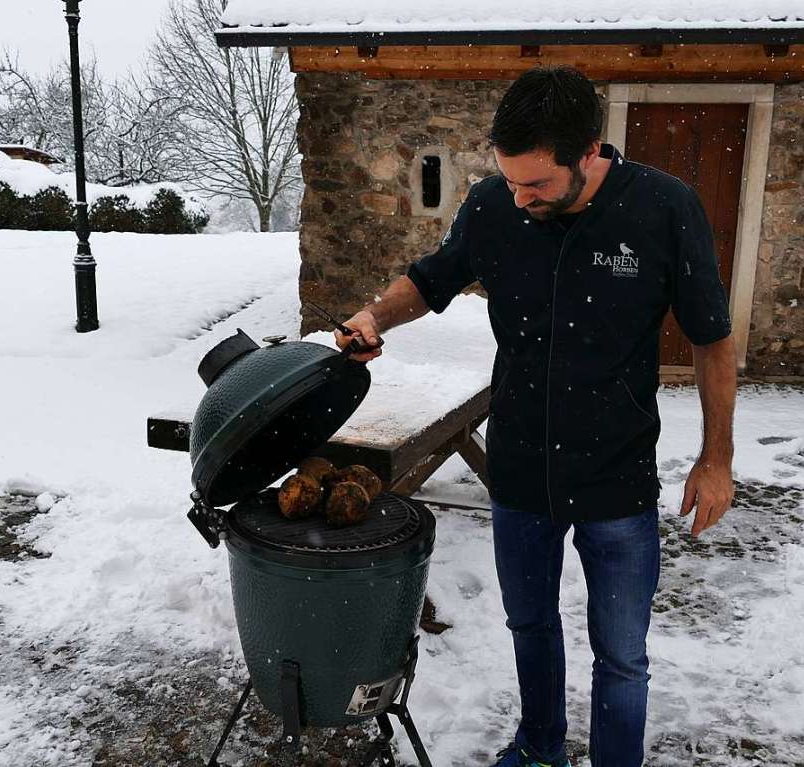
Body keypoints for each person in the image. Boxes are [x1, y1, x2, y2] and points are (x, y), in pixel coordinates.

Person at [335, 66, 736, 767]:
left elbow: (711, 340)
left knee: (620, 655)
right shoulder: (495, 203)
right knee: (529, 624)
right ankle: (540, 748)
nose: (520, 198)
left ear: (589, 152)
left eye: (537, 184)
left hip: (616, 474)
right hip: (520, 469)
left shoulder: (664, 208)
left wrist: (716, 458)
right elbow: (433, 279)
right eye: (510, 180)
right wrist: (373, 315)